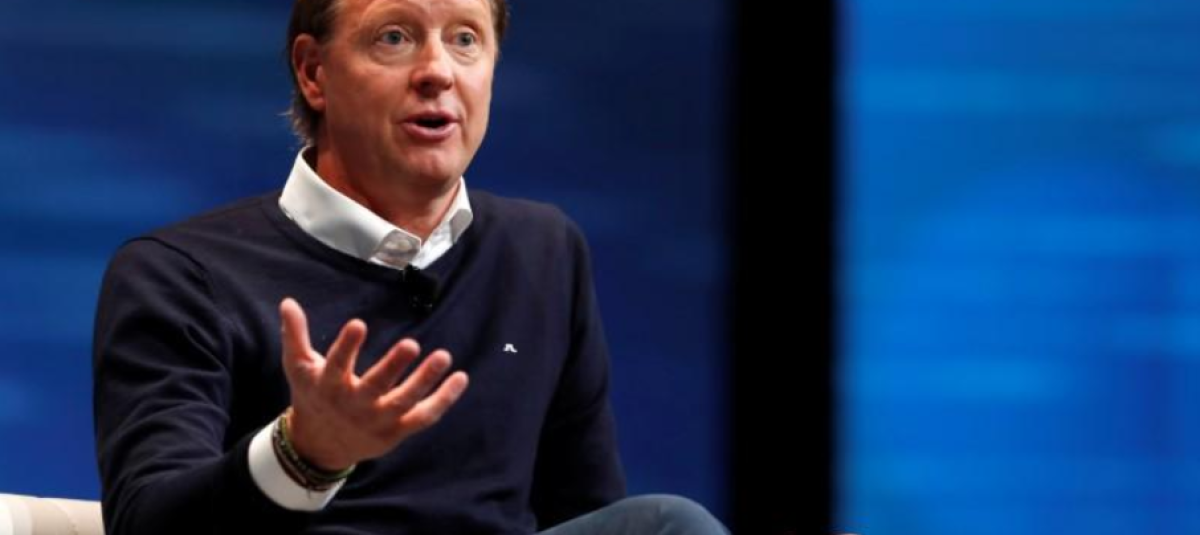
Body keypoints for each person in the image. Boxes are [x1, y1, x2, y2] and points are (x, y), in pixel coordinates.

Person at [92, 0, 730, 533]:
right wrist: (303, 454)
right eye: (394, 37)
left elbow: (588, 513)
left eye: (465, 39)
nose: (437, 72)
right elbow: (146, 521)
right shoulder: (182, 275)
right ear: (314, 73)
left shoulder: (542, 251)